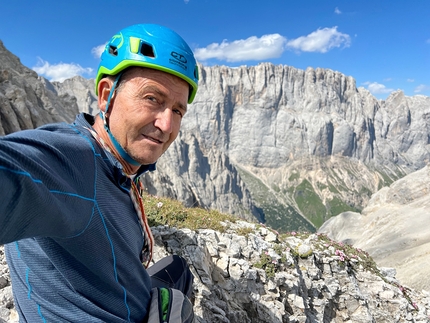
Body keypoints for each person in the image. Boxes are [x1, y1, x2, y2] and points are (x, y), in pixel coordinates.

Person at [0, 23, 198, 322]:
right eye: (153, 99)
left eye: (178, 111)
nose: (167, 126)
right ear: (106, 95)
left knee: (179, 270)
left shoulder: (117, 166)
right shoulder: (72, 161)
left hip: (123, 297)